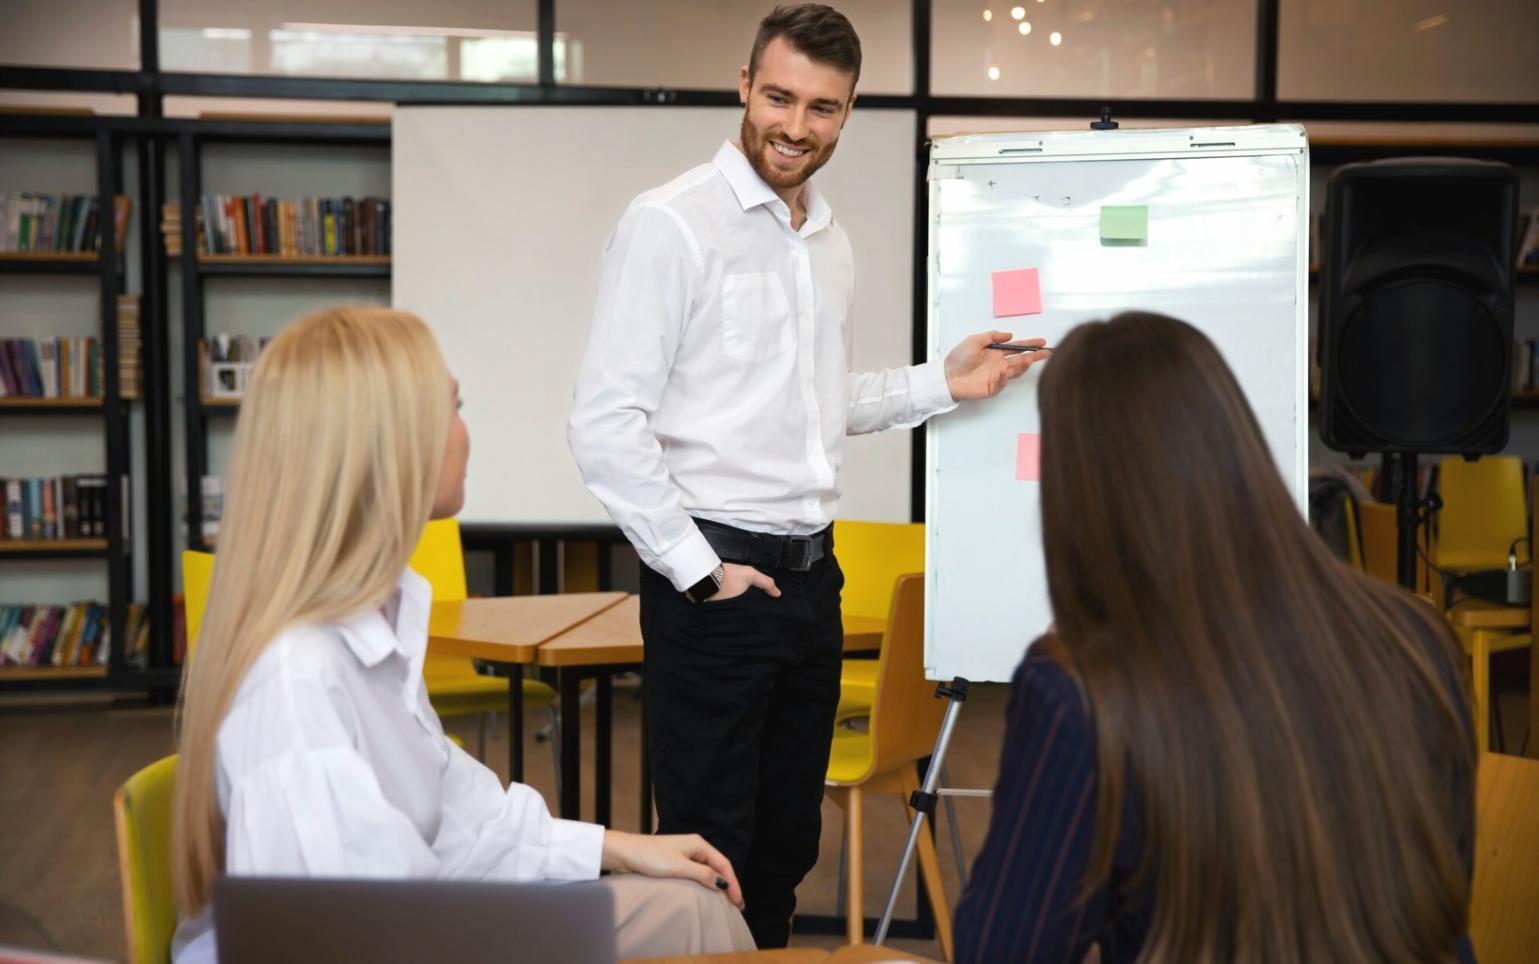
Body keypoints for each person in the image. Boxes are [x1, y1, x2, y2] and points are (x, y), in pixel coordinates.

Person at [567, 4, 1047, 947]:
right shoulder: (670, 223)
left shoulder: (829, 241)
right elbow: (603, 422)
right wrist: (697, 569)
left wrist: (941, 382)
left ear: (848, 110)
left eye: (821, 108)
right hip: (716, 578)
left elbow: (820, 402)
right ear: (744, 86)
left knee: (788, 848)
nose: (795, 126)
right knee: (708, 860)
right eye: (779, 97)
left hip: (810, 579)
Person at [170, 308, 754, 963]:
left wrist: (619, 847)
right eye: (454, 408)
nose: (465, 432)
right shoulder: (298, 688)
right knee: (694, 922)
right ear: (389, 444)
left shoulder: (367, 633)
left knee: (696, 905)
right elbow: (340, 940)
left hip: (432, 926)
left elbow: (463, 821)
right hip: (414, 942)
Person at [953, 311, 1476, 964]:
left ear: (1079, 491)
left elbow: (1004, 952)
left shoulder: (1078, 690)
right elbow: (1444, 893)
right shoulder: (1412, 637)